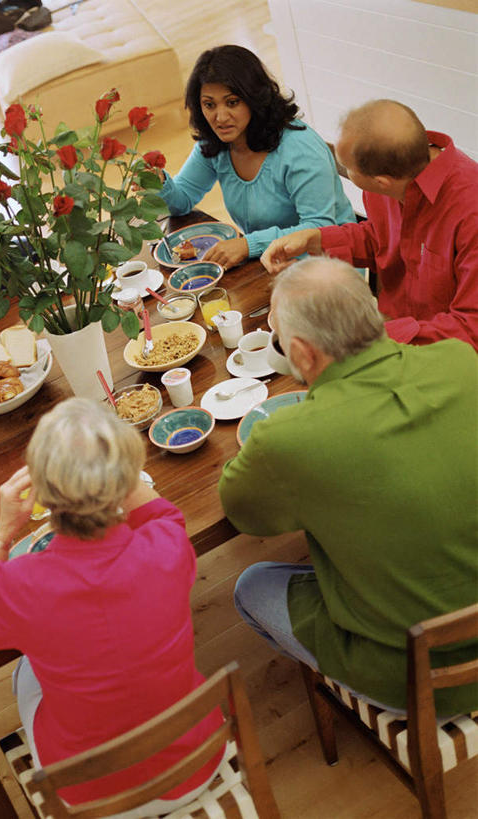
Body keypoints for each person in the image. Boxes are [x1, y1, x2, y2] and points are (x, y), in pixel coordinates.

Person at [219, 257, 478, 715]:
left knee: (251, 585)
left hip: (415, 679)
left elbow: (241, 511)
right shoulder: (460, 360)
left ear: (301, 354)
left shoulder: (287, 439)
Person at [0, 398, 225, 814]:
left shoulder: (21, 582)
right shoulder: (167, 545)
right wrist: (116, 469)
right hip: (196, 763)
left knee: (26, 671)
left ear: (41, 493)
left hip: (96, 796)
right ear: (126, 477)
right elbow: (162, 513)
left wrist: (3, 533)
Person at [261, 99, 478, 350]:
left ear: (381, 181)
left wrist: (360, 336)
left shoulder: (470, 211)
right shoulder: (397, 171)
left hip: (447, 353)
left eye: (346, 168)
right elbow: (380, 239)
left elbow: (470, 328)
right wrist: (315, 239)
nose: (343, 170)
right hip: (393, 330)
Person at [159, 45, 356, 269]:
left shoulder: (299, 149)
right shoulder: (215, 142)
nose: (220, 117)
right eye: (209, 105)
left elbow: (319, 227)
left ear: (254, 98)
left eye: (232, 102)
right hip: (269, 263)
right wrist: (159, 181)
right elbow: (181, 201)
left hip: (329, 268)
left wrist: (248, 245)